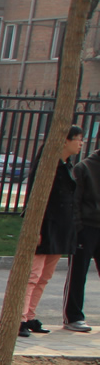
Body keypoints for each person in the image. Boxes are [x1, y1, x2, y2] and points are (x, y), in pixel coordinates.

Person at [21, 127, 83, 336]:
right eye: (78, 139)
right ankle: (19, 318)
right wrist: (36, 227)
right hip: (46, 226)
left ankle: (30, 316)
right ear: (64, 141)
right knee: (33, 275)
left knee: (45, 276)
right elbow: (37, 197)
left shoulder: (66, 165)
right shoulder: (47, 165)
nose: (81, 143)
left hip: (62, 228)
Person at [66, 141, 100, 333]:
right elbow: (75, 200)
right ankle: (74, 316)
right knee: (78, 273)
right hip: (87, 227)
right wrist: (77, 227)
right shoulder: (84, 167)